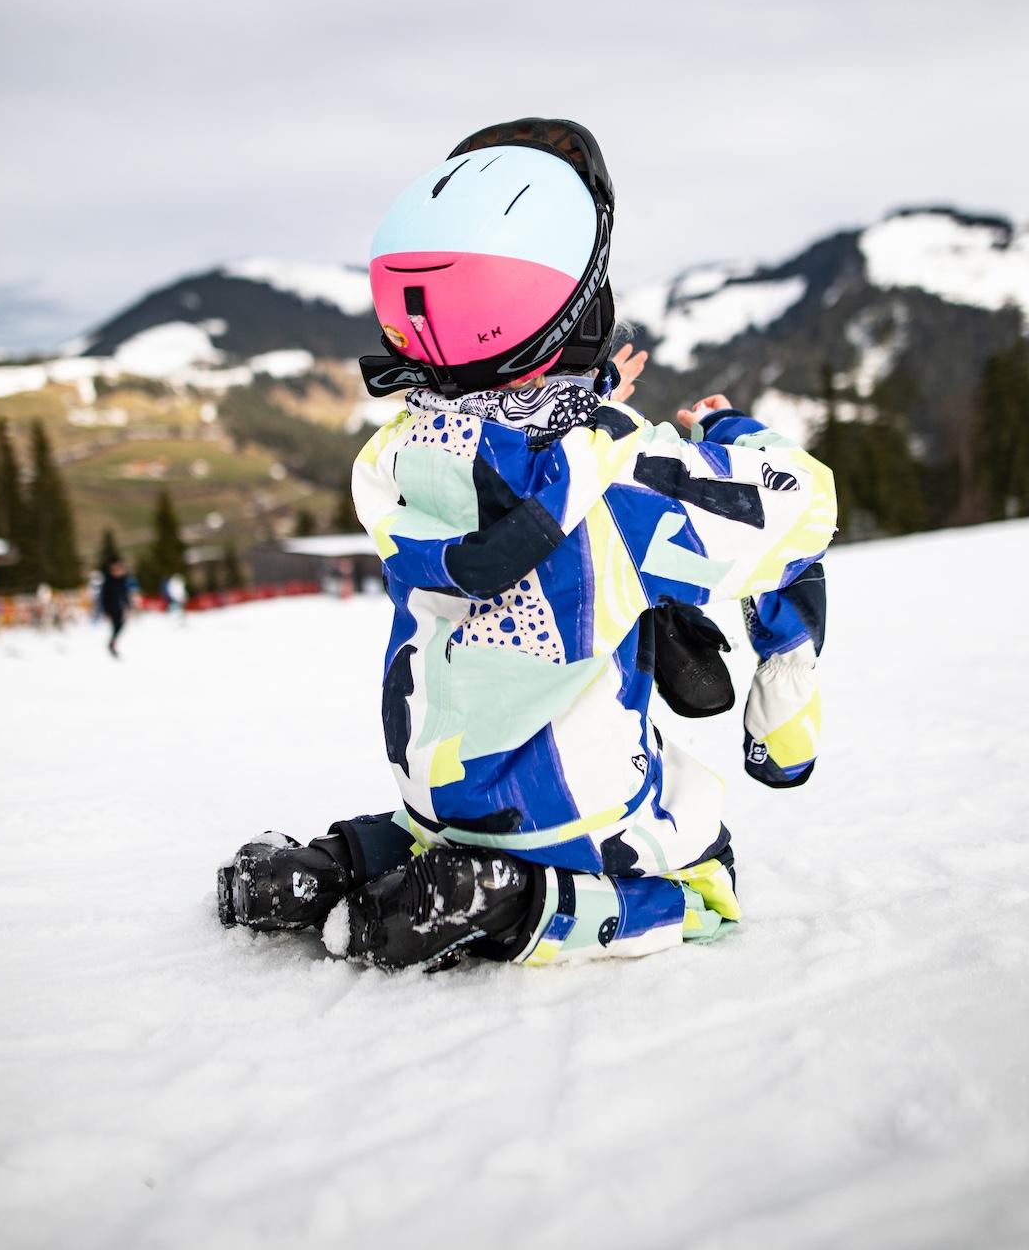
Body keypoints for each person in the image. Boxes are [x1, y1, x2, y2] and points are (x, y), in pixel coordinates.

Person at [218, 117, 836, 970]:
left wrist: (592, 396)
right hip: (567, 810)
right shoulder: (622, 485)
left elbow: (509, 421)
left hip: (439, 787)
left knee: (448, 804)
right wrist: (736, 429)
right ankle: (515, 906)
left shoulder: (403, 455)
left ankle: (339, 866)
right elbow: (803, 506)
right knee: (705, 883)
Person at [99, 559, 130, 658]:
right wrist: (106, 611)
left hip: (120, 607)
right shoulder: (108, 582)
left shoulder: (122, 580)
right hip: (111, 608)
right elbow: (103, 597)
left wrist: (128, 605)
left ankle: (112, 643)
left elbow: (124, 595)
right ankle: (112, 645)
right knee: (116, 626)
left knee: (120, 625)